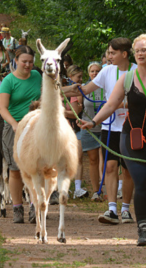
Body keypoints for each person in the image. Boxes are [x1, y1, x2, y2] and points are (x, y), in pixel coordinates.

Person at [81, 33, 146, 246]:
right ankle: (142, 227)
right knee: (141, 181)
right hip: (132, 137)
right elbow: (111, 104)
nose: (141, 53)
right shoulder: (126, 79)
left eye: (145, 49)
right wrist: (93, 122)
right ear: (133, 54)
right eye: (138, 50)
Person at [66, 37, 136, 225]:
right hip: (109, 126)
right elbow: (86, 90)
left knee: (128, 170)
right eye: (108, 53)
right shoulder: (106, 72)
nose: (109, 56)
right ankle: (112, 208)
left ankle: (126, 208)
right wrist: (63, 89)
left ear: (124, 54)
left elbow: (144, 99)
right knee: (110, 166)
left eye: (113, 53)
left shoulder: (137, 71)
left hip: (129, 127)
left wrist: (118, 105)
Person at [0, 46, 42, 224]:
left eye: (31, 62)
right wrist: (15, 124)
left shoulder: (37, 76)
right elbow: (2, 108)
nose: (27, 65)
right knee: (15, 169)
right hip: (15, 127)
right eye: (24, 61)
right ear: (16, 61)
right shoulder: (8, 81)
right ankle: (17, 208)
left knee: (35, 169)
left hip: (35, 125)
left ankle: (34, 205)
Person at [64, 65, 89, 199]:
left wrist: (63, 112)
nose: (80, 79)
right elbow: (74, 111)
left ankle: (78, 188)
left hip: (76, 128)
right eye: (78, 77)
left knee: (78, 157)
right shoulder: (65, 91)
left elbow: (76, 113)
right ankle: (63, 187)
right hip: (64, 129)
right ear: (70, 77)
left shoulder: (75, 92)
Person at [82, 62, 104, 202]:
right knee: (93, 160)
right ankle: (96, 191)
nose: (95, 74)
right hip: (89, 128)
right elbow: (77, 106)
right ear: (88, 73)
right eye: (92, 71)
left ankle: (109, 189)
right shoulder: (85, 87)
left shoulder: (106, 86)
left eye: (97, 71)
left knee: (108, 160)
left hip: (105, 127)